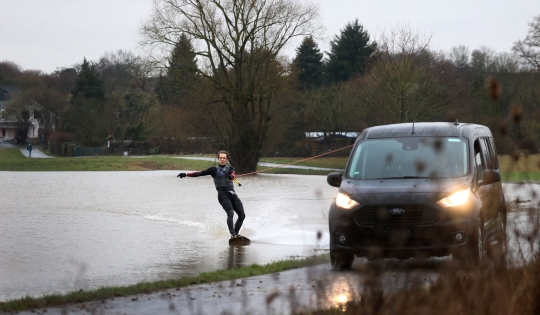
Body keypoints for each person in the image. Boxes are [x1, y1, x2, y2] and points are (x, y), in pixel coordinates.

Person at [177, 150, 246, 239]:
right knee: (230, 212)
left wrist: (232, 176)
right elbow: (200, 173)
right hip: (222, 194)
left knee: (242, 215)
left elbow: (233, 173)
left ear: (227, 159)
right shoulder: (213, 170)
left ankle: (236, 233)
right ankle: (232, 234)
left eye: (224, 158)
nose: (222, 159)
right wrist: (186, 174)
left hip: (232, 193)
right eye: (220, 158)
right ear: (218, 159)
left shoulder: (231, 169)